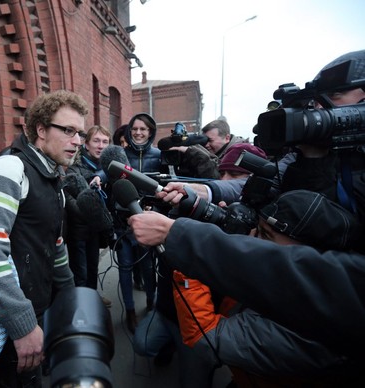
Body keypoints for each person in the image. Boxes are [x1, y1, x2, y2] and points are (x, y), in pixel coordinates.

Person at [128, 49, 365, 360]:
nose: (319, 109)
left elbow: (333, 280)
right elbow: (244, 187)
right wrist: (202, 192)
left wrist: (180, 237)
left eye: (334, 94)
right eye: (315, 100)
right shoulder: (312, 158)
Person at [173, 190, 364, 386]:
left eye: (266, 235)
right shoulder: (295, 283)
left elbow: (205, 338)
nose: (252, 239)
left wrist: (193, 256)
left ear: (304, 256)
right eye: (256, 228)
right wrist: (222, 241)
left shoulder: (310, 327)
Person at [0, 90, 87, 387]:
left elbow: (54, 245)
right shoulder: (9, 168)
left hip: (38, 312)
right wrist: (23, 324)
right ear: (41, 130)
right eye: (68, 130)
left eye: (79, 132)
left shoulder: (52, 176)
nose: (78, 141)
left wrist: (70, 299)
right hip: (2, 324)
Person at [116, 113, 161, 333]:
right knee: (124, 267)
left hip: (150, 221)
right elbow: (106, 173)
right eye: (135, 129)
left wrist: (156, 209)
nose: (138, 133)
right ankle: (130, 311)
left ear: (150, 132)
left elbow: (167, 187)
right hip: (124, 222)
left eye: (143, 129)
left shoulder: (160, 155)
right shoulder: (121, 154)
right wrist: (97, 177)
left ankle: (152, 304)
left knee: (148, 267)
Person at [64, 125, 112, 306]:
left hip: (95, 229)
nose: (101, 146)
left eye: (105, 142)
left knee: (93, 267)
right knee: (80, 271)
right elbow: (69, 199)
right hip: (78, 229)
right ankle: (80, 307)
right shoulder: (75, 167)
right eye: (96, 141)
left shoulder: (106, 168)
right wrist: (87, 212)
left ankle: (92, 299)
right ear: (86, 144)